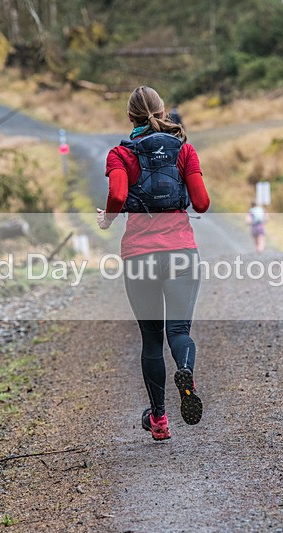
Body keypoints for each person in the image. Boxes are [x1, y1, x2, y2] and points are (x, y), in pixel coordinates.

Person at [96, 86, 210, 441]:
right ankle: (186, 370)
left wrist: (107, 219)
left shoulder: (121, 154)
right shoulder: (184, 149)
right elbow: (202, 203)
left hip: (140, 256)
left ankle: (159, 420)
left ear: (130, 117)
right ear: (162, 113)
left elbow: (116, 194)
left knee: (150, 340)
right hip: (180, 251)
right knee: (179, 332)